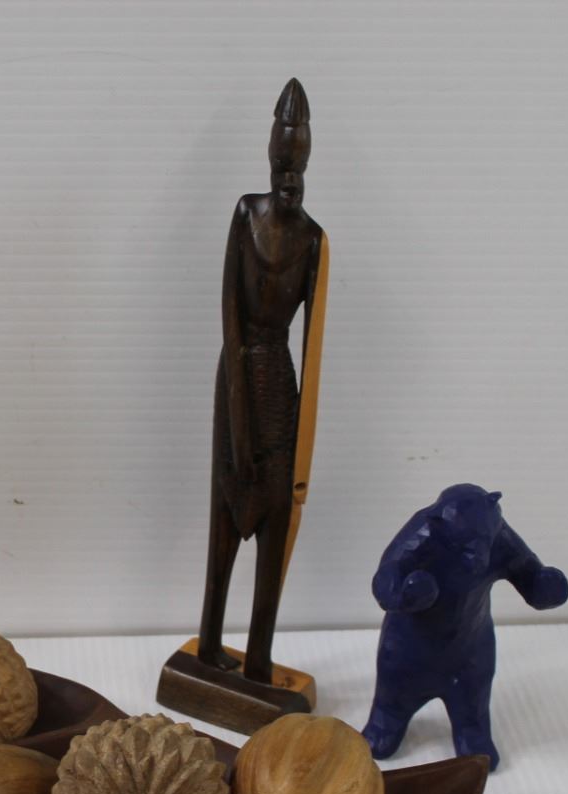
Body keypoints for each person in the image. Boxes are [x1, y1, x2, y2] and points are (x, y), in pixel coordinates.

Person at [198, 78, 325, 684]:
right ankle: (209, 644)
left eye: (296, 166)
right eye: (281, 164)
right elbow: (229, 309)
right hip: (239, 371)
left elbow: (313, 337)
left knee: (275, 512)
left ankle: (258, 658)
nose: (288, 176)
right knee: (226, 507)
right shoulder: (246, 213)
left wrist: (301, 433)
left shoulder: (313, 239)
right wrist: (239, 415)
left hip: (280, 380)